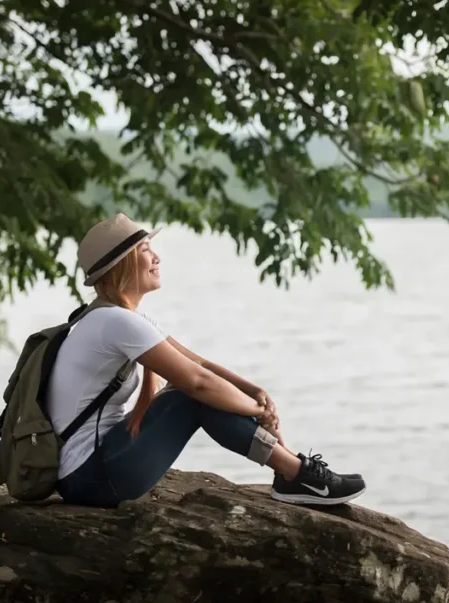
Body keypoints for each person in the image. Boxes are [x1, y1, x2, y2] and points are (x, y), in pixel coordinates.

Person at [46, 213, 366, 508]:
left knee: (197, 391)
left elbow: (198, 365)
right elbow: (198, 383)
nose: (157, 258)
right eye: (145, 250)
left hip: (92, 469)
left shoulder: (113, 317)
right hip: (92, 477)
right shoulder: (116, 322)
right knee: (192, 397)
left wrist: (255, 391)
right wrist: (256, 410)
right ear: (122, 264)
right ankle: (296, 474)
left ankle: (292, 472)